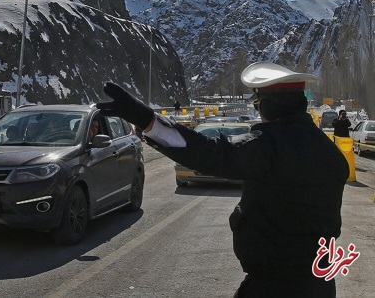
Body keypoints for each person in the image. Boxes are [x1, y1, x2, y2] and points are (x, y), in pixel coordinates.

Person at [97, 62, 349, 298]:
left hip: (276, 283)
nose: (258, 111)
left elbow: (208, 152)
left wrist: (148, 120)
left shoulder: (269, 146)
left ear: (269, 106)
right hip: (320, 280)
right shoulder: (330, 151)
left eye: (258, 103)